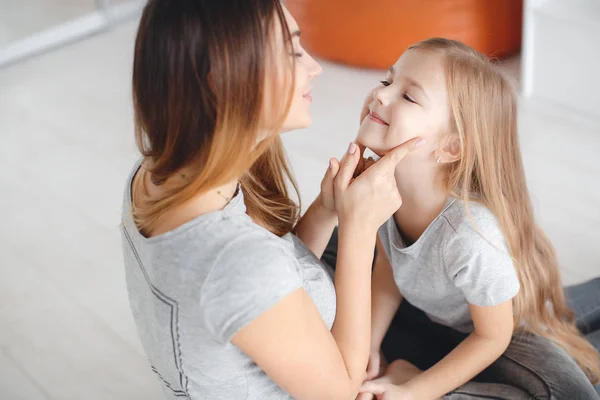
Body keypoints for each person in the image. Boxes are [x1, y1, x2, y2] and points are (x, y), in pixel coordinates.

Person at [120, 1, 423, 399]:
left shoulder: (157, 173)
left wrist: (326, 209)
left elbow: (271, 281)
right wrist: (359, 230)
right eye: (293, 52)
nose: (313, 67)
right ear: (221, 80)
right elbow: (339, 392)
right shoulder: (234, 259)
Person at [347, 38, 600, 399]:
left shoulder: (470, 236)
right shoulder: (383, 192)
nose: (381, 95)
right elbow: (389, 271)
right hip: (447, 317)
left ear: (450, 147)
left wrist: (418, 390)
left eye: (409, 97)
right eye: (388, 82)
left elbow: (492, 337)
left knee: (573, 393)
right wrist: (365, 348)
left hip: (511, 328)